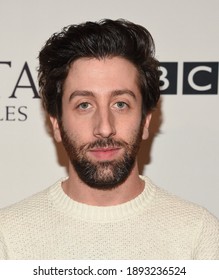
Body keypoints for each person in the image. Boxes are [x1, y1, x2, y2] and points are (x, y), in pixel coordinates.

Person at [0, 19, 218, 260]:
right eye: (84, 105)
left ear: (145, 121)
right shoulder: (8, 237)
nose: (104, 128)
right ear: (57, 124)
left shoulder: (198, 235)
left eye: (120, 104)